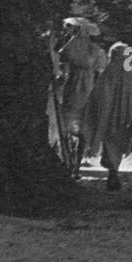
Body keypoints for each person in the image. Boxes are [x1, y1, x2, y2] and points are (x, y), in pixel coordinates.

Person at [82, 42, 132, 191]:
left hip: (109, 115)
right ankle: (113, 173)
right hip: (126, 117)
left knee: (109, 143)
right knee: (118, 144)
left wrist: (96, 109)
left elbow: (99, 93)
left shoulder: (110, 71)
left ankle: (112, 174)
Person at [53, 18, 105, 177]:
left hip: (70, 89)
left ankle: (67, 162)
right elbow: (100, 70)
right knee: (84, 128)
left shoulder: (69, 48)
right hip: (88, 90)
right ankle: (76, 165)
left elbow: (60, 62)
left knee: (66, 127)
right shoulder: (97, 51)